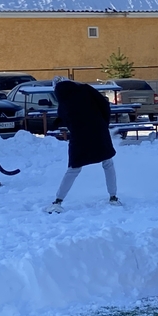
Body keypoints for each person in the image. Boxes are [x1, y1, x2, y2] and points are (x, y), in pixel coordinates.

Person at [45, 76, 121, 213]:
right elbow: (104, 104)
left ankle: (58, 201)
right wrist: (103, 123)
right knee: (108, 163)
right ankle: (113, 197)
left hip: (79, 136)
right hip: (99, 130)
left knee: (74, 168)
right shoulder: (86, 89)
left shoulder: (63, 102)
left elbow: (67, 118)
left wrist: (59, 123)